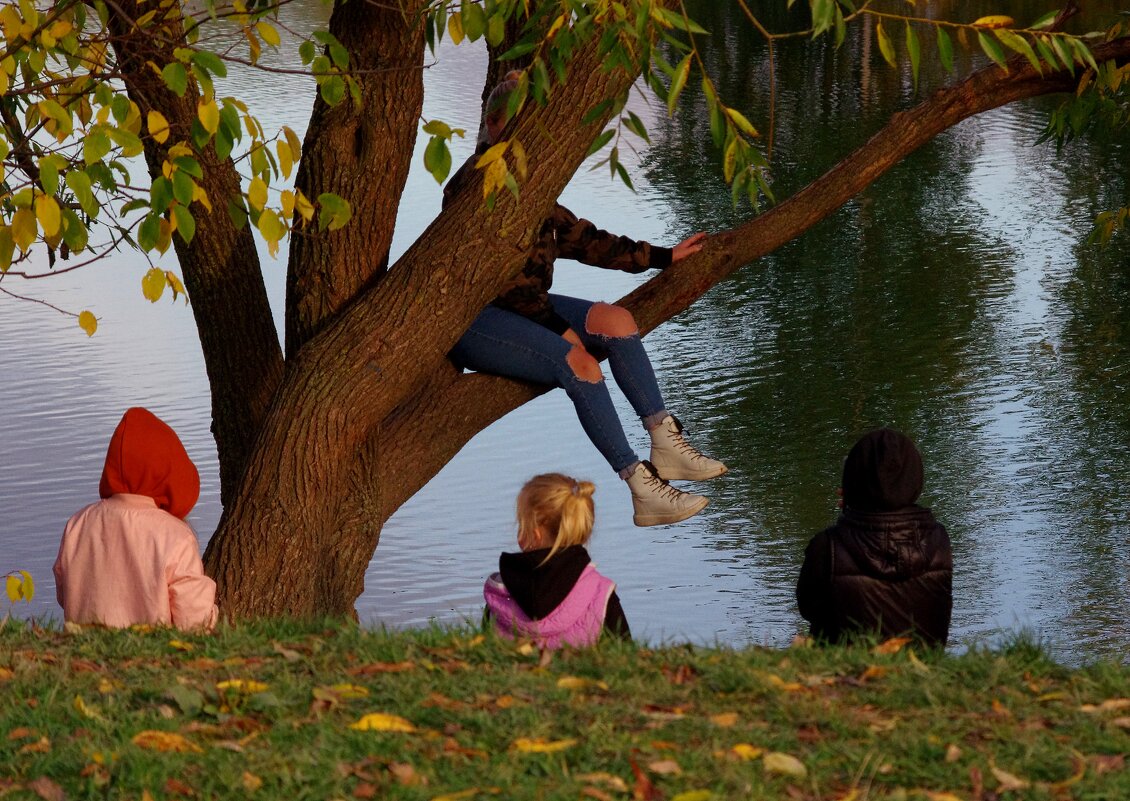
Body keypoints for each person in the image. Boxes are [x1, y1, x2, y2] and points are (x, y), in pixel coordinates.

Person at [444, 73, 727, 527]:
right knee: (581, 361)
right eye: (516, 125)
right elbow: (502, 286)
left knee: (617, 320)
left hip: (525, 304)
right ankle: (641, 485)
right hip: (475, 319)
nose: (527, 138)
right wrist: (561, 330)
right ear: (493, 124)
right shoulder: (474, 186)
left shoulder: (527, 180)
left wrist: (661, 256)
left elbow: (583, 239)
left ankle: (665, 440)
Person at [53, 407, 218, 631]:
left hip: (84, 656)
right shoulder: (176, 537)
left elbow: (65, 594)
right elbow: (194, 622)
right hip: (156, 660)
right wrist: (213, 613)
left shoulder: (77, 525)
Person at [796, 428, 953, 647]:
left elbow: (809, 608)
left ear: (852, 478)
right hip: (924, 669)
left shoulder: (828, 546)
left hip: (846, 669)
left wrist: (849, 517)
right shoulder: (939, 541)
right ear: (915, 478)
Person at [484, 473, 630, 648]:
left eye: (521, 523)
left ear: (534, 535)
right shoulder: (601, 594)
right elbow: (625, 654)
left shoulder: (500, 595)